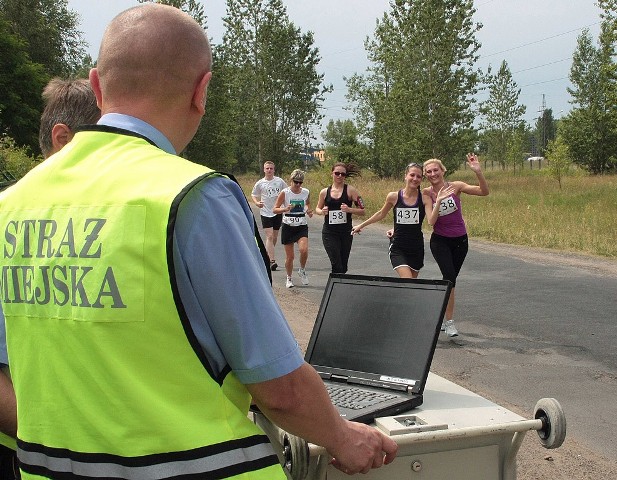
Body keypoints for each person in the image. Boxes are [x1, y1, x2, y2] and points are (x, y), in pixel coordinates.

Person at [0, 5, 396, 479]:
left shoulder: (15, 202)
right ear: (202, 91)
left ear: (98, 86)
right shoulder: (194, 196)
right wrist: (343, 436)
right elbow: (279, 388)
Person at [0, 77, 100, 480]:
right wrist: (64, 452)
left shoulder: (97, 220)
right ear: (62, 138)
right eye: (106, 143)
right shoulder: (9, 217)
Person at [423, 154, 489, 337]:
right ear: (426, 175)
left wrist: (478, 172)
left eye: (436, 170)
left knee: (449, 281)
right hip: (440, 241)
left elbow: (484, 192)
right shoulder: (427, 193)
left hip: (460, 241)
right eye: (429, 171)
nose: (433, 173)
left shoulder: (456, 186)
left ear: (443, 170)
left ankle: (443, 316)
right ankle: (450, 322)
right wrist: (439, 201)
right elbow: (430, 221)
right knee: (450, 277)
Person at [352, 163, 427, 279]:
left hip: (416, 247)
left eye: (419, 176)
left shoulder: (424, 198)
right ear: (405, 176)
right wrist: (361, 225)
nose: (415, 179)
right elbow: (381, 213)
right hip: (398, 246)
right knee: (407, 280)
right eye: (412, 175)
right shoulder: (394, 196)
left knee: (412, 286)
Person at [315, 162, 365, 274]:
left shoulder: (351, 190)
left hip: (346, 232)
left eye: (343, 174)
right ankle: (334, 288)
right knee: (336, 263)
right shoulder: (324, 192)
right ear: (332, 174)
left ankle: (340, 286)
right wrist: (322, 211)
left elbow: (363, 211)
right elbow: (317, 209)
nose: (340, 176)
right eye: (337, 173)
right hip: (329, 232)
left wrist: (349, 210)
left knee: (343, 265)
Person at [273, 169, 314, 288]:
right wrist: (285, 209)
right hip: (288, 226)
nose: (298, 185)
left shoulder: (305, 192)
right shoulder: (285, 193)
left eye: (300, 182)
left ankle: (302, 269)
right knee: (290, 257)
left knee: (304, 250)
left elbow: (307, 204)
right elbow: (275, 209)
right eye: (296, 182)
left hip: (301, 225)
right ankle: (289, 278)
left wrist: (308, 211)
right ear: (291, 180)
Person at [251, 161, 288, 271]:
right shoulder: (260, 183)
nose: (269, 170)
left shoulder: (279, 181)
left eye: (271, 168)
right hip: (265, 212)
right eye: (267, 168)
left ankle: (267, 256)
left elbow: (286, 192)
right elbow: (254, 194)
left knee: (275, 237)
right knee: (270, 236)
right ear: (264, 170)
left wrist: (286, 207)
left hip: (277, 211)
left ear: (274, 170)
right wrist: (257, 203)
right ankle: (271, 261)